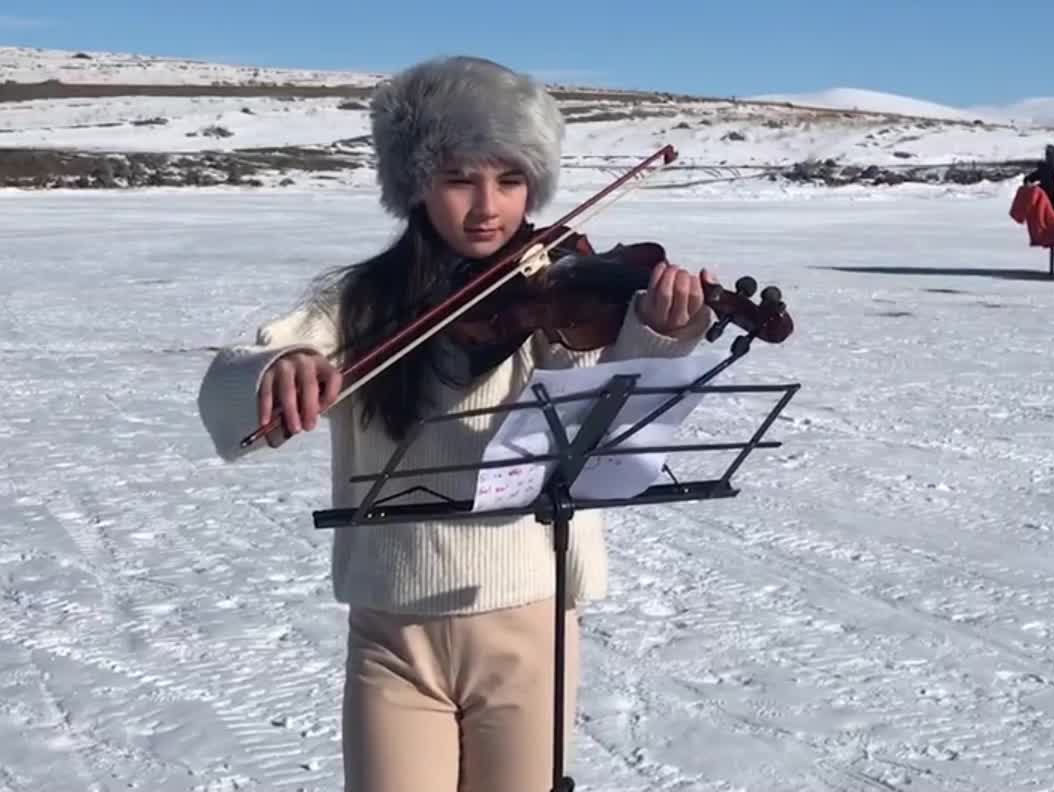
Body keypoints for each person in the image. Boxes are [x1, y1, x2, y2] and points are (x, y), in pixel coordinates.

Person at [196, 56, 714, 792]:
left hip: (529, 626)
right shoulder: (361, 305)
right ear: (415, 185)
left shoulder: (559, 294)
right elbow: (227, 384)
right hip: (393, 634)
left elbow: (616, 394)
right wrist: (273, 372)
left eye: (510, 180)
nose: (487, 207)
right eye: (459, 179)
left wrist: (660, 334)